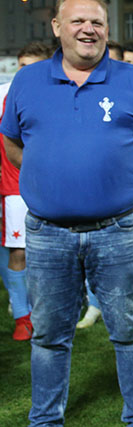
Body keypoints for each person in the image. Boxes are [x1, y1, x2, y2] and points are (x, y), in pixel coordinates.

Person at [0, 0, 133, 426]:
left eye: (96, 21)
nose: (88, 29)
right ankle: (45, 420)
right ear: (57, 27)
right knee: (50, 337)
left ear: (107, 29)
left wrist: (120, 182)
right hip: (48, 232)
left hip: (119, 229)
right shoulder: (27, 80)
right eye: (77, 21)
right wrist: (55, 182)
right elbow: (14, 145)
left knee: (131, 332)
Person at [0, 42, 54, 341]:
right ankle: (22, 315)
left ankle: (47, 309)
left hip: (53, 188)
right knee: (18, 253)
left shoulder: (57, 95)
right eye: (22, 66)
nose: (26, 72)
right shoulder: (4, 95)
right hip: (15, 189)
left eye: (33, 66)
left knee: (52, 254)